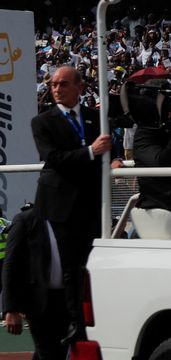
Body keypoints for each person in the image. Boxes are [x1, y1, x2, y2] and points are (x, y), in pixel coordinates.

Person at [31, 65, 111, 340]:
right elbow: (53, 158)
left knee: (92, 263)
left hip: (91, 204)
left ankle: (94, 318)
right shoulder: (43, 121)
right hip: (59, 205)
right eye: (54, 84)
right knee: (68, 267)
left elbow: (101, 154)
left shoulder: (94, 118)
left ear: (79, 86)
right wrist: (91, 152)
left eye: (63, 84)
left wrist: (110, 160)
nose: (56, 89)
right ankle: (73, 323)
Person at [2, 206, 81, 360]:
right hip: (38, 305)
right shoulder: (26, 221)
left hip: (64, 303)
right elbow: (10, 265)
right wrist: (11, 309)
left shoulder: (67, 221)